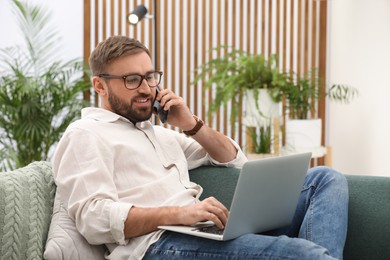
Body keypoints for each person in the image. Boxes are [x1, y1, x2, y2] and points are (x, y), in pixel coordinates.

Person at [52, 35, 348, 260]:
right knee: (302, 254)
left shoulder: (157, 133)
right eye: (131, 80)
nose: (146, 88)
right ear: (99, 86)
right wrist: (180, 214)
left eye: (150, 77)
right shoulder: (86, 134)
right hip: (159, 246)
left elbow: (233, 159)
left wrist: (191, 123)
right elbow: (93, 218)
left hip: (201, 232)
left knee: (325, 178)